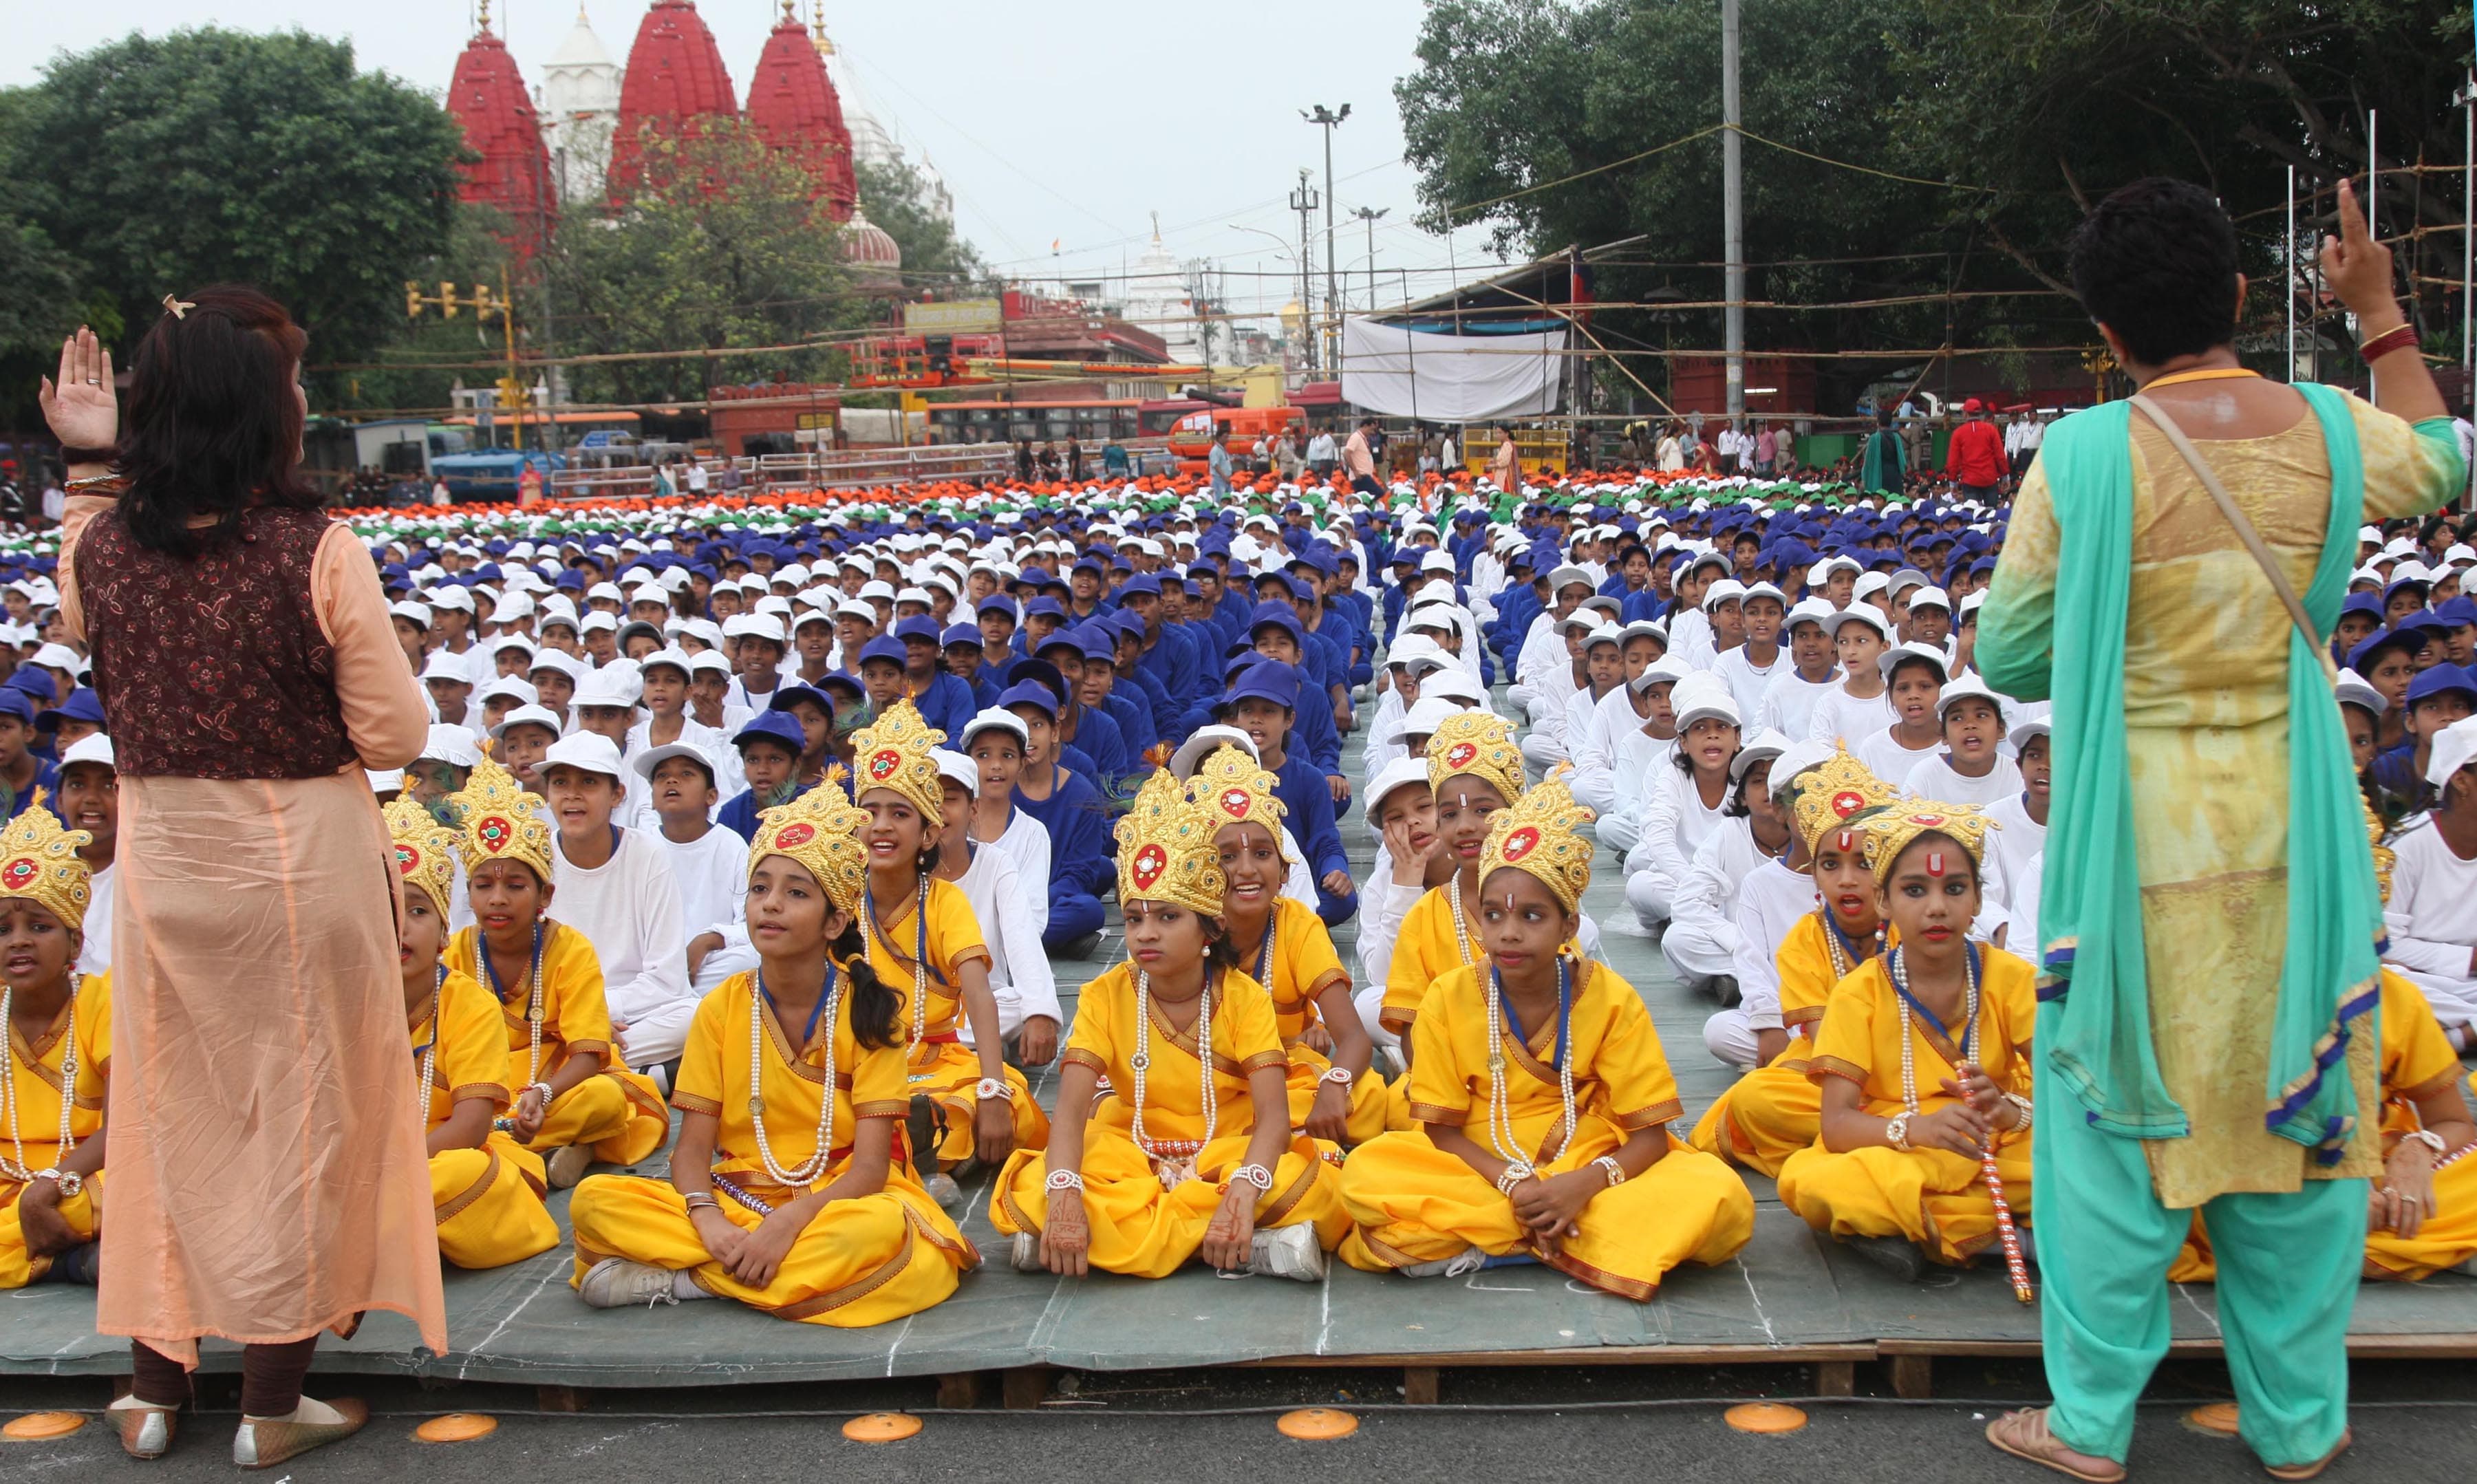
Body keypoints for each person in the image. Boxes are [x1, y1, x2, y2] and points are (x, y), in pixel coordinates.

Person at [1975, 177, 2467, 1481]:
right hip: (2299, 829)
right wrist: (2379, 315)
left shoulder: (2081, 456)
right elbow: (2450, 460)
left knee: (2113, 1123)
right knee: (2297, 1107)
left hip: (2137, 838)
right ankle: (2300, 1423)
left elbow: (2012, 646)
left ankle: (2087, 1426)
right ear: (2245, 298)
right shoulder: (2331, 426)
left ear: (2102, 327)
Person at [43, 296, 438, 1463]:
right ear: (261, 410)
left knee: (168, 1117)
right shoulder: (314, 547)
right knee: (304, 1118)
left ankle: (155, 1393)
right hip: (296, 859)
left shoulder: (108, 545)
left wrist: (88, 462)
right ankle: (271, 1404)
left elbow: (73, 606)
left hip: (165, 859)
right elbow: (399, 733)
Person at [567, 783, 978, 1322]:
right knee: (596, 1199)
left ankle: (692, 1280)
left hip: (836, 1202)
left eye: (797, 893)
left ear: (835, 922)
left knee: (883, 1233)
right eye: (760, 888)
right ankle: (748, 1270)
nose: (772, 904)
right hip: (739, 1197)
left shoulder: (871, 1011)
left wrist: (787, 1226)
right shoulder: (719, 1007)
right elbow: (691, 1151)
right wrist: (710, 1220)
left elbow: (871, 1169)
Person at [1338, 775, 1755, 1291]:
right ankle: (1569, 1234)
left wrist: (1581, 1184)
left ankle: (1493, 1237)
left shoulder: (1611, 997)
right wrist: (1515, 1182)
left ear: (1568, 926)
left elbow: (1648, 1136)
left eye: (1532, 915)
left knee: (1718, 1195)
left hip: (1584, 1149)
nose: (1508, 931)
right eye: (1493, 915)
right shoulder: (1449, 995)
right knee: (1368, 1174)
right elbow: (1442, 1130)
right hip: (1479, 1153)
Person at [990, 769, 1346, 1281]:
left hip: (1228, 1142)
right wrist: (1066, 1192)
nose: (1146, 934)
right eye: (1134, 918)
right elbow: (1068, 1113)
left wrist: (1245, 1186)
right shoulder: (1106, 993)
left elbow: (1272, 1117)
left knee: (1315, 1180)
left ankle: (1126, 1236)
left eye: (1168, 917)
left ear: (1210, 926)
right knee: (1038, 1182)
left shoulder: (1244, 998)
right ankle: (1241, 1244)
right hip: (1134, 1146)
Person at [1776, 802, 2036, 1280]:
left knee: (2101, 1163)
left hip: (1999, 1143)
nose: (1937, 906)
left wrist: (2008, 1110)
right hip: (1901, 1147)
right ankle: (2008, 1234)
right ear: (1884, 902)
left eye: (1955, 888)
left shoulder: (2012, 978)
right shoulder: (1860, 992)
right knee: (1815, 1180)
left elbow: (2066, 1090)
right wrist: (1918, 1130)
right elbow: (1835, 1124)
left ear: (1978, 900)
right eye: (1915, 890)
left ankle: (1931, 1230)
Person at [443, 756, 669, 1191]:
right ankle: (563, 1145)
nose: (498, 900)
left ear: (545, 895)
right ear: (468, 893)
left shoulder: (570, 949)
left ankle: (505, 1146)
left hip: (557, 1082)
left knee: (605, 1097)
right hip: (481, 1088)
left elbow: (588, 1050)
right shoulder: (456, 953)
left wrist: (543, 1094)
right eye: (483, 886)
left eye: (515, 885)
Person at [846, 699, 1044, 1187]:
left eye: (899, 813)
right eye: (869, 811)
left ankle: (917, 1152)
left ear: (929, 832)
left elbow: (978, 992)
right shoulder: (841, 899)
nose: (883, 825)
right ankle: (930, 1160)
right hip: (859, 1059)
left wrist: (993, 1087)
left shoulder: (945, 901)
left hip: (939, 1059)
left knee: (1006, 1099)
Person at [1691, 747, 1900, 1174]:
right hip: (1823, 1060)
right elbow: (1822, 1039)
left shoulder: (1907, 922)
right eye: (1831, 865)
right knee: (1755, 1096)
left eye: (1863, 864)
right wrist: (1768, 1023)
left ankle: (1862, 1133)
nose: (1847, 879)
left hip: (1910, 1065)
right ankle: (1883, 1131)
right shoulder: (1806, 933)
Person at [382, 799, 559, 1271]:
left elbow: (471, 1127)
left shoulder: (468, 1002)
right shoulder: (342, 1002)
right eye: (384, 909)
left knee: (462, 1172)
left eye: (416, 910)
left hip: (451, 1157)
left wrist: (390, 1172)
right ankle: (391, 1231)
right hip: (371, 1170)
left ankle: (374, 1233)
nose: (398, 925)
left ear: (444, 932)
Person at [1188, 743, 1389, 1146]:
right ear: (1205, 874)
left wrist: (1335, 1085)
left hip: (1287, 1076)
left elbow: (1352, 1038)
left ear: (1283, 871)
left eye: (1262, 854)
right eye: (1227, 856)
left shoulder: (1297, 924)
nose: (1246, 869)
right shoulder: (1184, 926)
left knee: (1369, 1097)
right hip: (1203, 1081)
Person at [0, 798, 109, 1291]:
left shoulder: (103, 999)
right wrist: (25, 1195)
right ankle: (65, 1259)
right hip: (10, 1183)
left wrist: (48, 1188)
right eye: (2, 930)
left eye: (38, 926)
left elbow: (132, 1120)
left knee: (140, 1191)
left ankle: (45, 1251)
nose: (17, 941)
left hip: (91, 1176)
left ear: (74, 942)